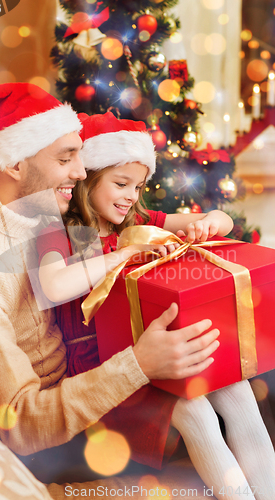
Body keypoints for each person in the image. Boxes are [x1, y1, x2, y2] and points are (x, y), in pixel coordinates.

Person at [0, 83, 222, 494]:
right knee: (205, 409)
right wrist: (139, 365)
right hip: (51, 443)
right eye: (66, 157)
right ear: (16, 163)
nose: (80, 170)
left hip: (88, 381)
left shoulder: (33, 208)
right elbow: (21, 424)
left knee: (240, 382)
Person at [37, 112, 275, 500]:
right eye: (121, 183)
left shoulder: (143, 221)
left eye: (139, 185)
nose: (132, 195)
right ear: (89, 176)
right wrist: (126, 252)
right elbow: (52, 284)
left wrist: (207, 223)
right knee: (195, 411)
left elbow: (222, 222)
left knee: (240, 394)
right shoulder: (58, 229)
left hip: (158, 351)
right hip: (106, 368)